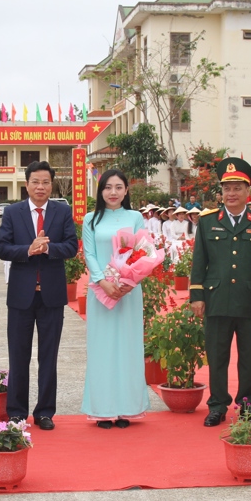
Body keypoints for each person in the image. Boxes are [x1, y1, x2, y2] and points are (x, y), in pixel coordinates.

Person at [189, 158, 251, 427]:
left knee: (248, 359)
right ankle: (217, 405)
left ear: (247, 191)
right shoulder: (207, 222)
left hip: (250, 301)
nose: (231, 194)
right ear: (221, 192)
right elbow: (199, 261)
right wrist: (197, 295)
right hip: (216, 299)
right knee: (217, 357)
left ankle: (249, 405)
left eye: (237, 188)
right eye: (227, 188)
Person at [0, 161, 78, 430]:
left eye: (45, 182)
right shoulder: (12, 212)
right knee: (18, 356)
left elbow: (71, 247)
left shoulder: (62, 211)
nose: (40, 187)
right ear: (27, 184)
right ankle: (17, 412)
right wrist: (29, 250)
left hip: (52, 296)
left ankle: (44, 411)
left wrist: (47, 248)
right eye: (35, 182)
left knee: (48, 356)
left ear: (51, 185)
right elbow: (3, 248)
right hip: (21, 296)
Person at [81, 169, 149, 428]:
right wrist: (102, 282)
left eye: (118, 187)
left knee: (128, 348)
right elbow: (89, 253)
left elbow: (143, 252)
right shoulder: (91, 218)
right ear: (100, 191)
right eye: (108, 187)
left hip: (129, 293)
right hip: (100, 292)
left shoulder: (135, 217)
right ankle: (103, 409)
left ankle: (126, 409)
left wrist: (128, 283)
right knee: (102, 349)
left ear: (126, 191)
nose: (113, 192)